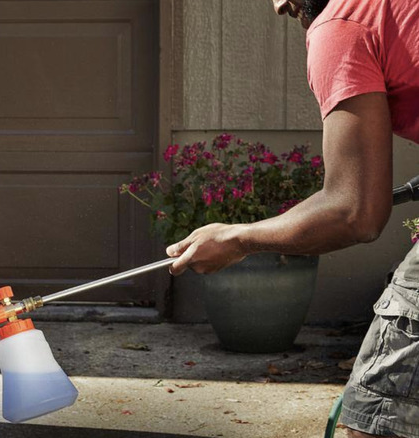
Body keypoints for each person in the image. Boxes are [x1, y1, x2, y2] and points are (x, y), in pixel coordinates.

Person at [166, 0, 419, 436]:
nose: (279, 7)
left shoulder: (343, 25)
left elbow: (354, 212)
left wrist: (236, 239)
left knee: (378, 420)